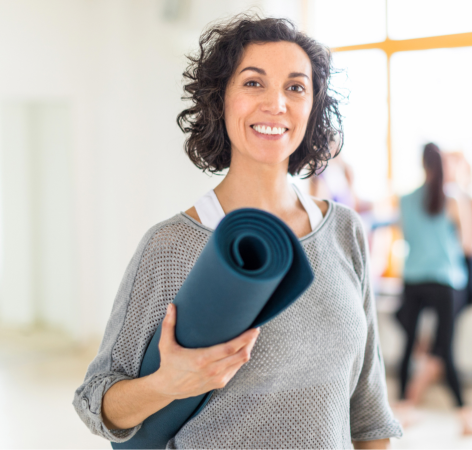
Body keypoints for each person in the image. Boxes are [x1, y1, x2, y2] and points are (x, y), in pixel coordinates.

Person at [73, 15, 402, 449]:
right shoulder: (171, 246)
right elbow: (96, 403)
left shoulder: (343, 230)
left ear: (312, 106)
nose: (276, 103)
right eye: (253, 83)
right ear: (220, 100)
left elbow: (368, 410)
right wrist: (167, 384)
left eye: (295, 87)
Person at [396, 143, 472, 434]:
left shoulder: (406, 200)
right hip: (446, 280)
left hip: (413, 277)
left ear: (422, 164)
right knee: (445, 349)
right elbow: (468, 245)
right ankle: (464, 416)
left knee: (408, 345)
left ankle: (402, 409)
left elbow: (406, 236)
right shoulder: (453, 198)